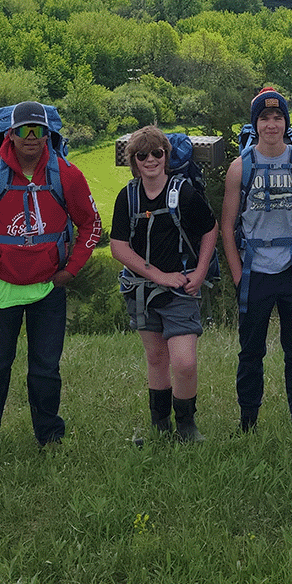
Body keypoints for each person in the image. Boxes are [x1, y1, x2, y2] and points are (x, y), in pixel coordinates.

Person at [0, 101, 102, 460]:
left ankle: (50, 437)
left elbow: (91, 224)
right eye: (25, 130)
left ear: (49, 135)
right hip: (0, 290)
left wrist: (72, 269)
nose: (33, 138)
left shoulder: (67, 175)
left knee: (45, 369)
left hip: (48, 290)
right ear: (10, 134)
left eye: (40, 131)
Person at [220, 87, 292, 434]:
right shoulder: (240, 168)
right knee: (250, 352)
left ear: (286, 122)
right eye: (264, 118)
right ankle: (247, 420)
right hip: (254, 271)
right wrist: (238, 276)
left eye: (277, 117)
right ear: (255, 124)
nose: (271, 124)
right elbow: (227, 224)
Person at [108, 124, 217, 444]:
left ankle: (186, 426)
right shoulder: (127, 196)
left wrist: (199, 273)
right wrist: (158, 276)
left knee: (184, 362)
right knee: (156, 358)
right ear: (134, 161)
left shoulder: (182, 192)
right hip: (141, 291)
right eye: (142, 155)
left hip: (180, 290)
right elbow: (118, 247)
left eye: (157, 153)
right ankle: (160, 427)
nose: (150, 159)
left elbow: (209, 230)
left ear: (166, 156)